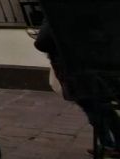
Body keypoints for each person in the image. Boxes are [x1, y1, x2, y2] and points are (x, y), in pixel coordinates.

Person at [35, 19, 120, 156]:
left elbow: (41, 42)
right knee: (105, 107)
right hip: (101, 65)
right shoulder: (92, 8)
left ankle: (107, 144)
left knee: (92, 107)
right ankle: (113, 144)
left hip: (74, 69)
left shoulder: (56, 12)